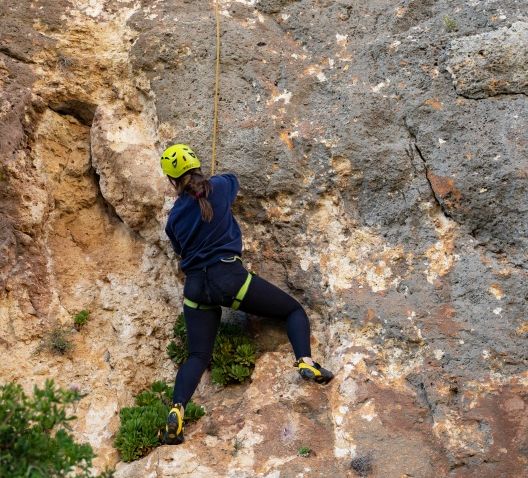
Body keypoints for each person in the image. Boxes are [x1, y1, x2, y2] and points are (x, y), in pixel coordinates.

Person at [160, 144, 333, 445]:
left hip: (196, 289)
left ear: (172, 182)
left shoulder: (173, 219)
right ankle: (304, 359)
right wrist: (210, 184)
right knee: (293, 311)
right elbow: (233, 180)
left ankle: (177, 408)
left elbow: (179, 248)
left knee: (198, 355)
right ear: (198, 167)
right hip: (228, 277)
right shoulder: (220, 187)